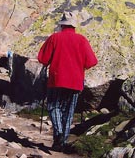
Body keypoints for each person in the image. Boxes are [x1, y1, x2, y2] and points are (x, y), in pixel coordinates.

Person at [38, 11, 98, 153]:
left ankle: (58, 132)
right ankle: (61, 143)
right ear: (74, 26)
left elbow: (43, 59)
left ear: (62, 25)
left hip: (57, 79)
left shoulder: (54, 38)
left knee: (54, 107)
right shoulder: (82, 40)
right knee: (69, 112)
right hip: (75, 81)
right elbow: (92, 62)